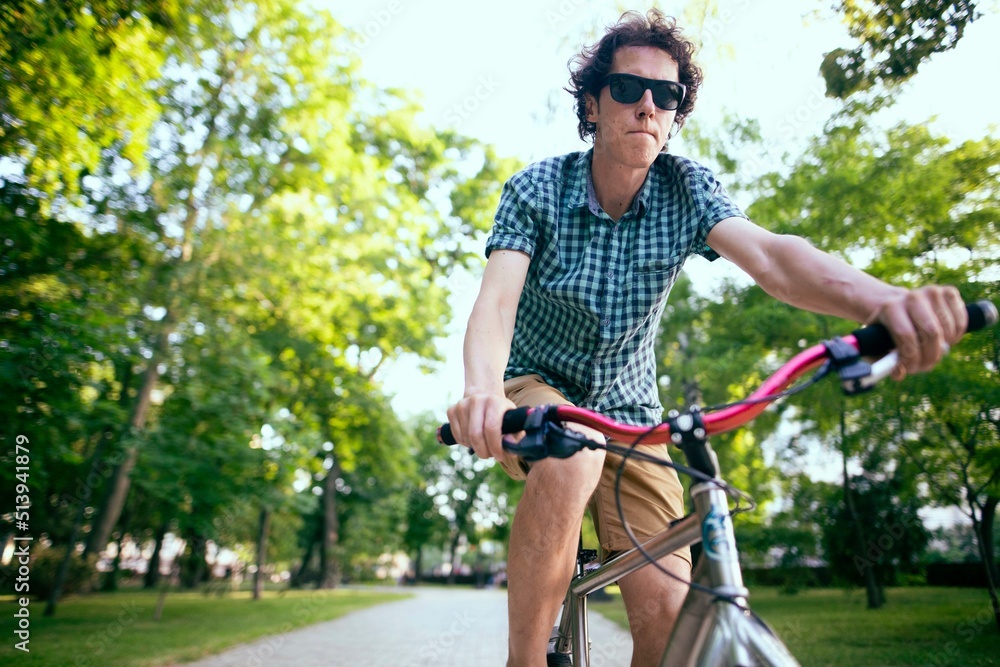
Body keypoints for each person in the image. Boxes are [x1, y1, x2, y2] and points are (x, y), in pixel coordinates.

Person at [445, 10, 966, 667]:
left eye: (666, 96)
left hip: (634, 416)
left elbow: (774, 258)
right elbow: (495, 304)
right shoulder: (536, 190)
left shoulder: (686, 189)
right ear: (593, 103)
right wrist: (481, 390)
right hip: (539, 392)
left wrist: (888, 301)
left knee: (668, 624)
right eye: (629, 89)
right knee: (575, 449)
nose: (647, 106)